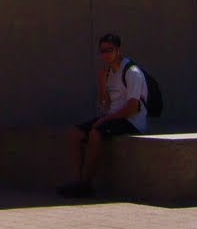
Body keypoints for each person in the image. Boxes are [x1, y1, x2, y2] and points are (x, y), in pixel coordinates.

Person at [59, 32, 147, 196]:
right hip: (113, 116)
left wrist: (105, 119)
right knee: (75, 134)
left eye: (110, 50)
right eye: (103, 51)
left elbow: (133, 108)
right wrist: (102, 83)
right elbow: (105, 105)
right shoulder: (108, 73)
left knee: (95, 133)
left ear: (118, 50)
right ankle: (76, 180)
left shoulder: (132, 72)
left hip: (131, 121)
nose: (106, 54)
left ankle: (87, 183)